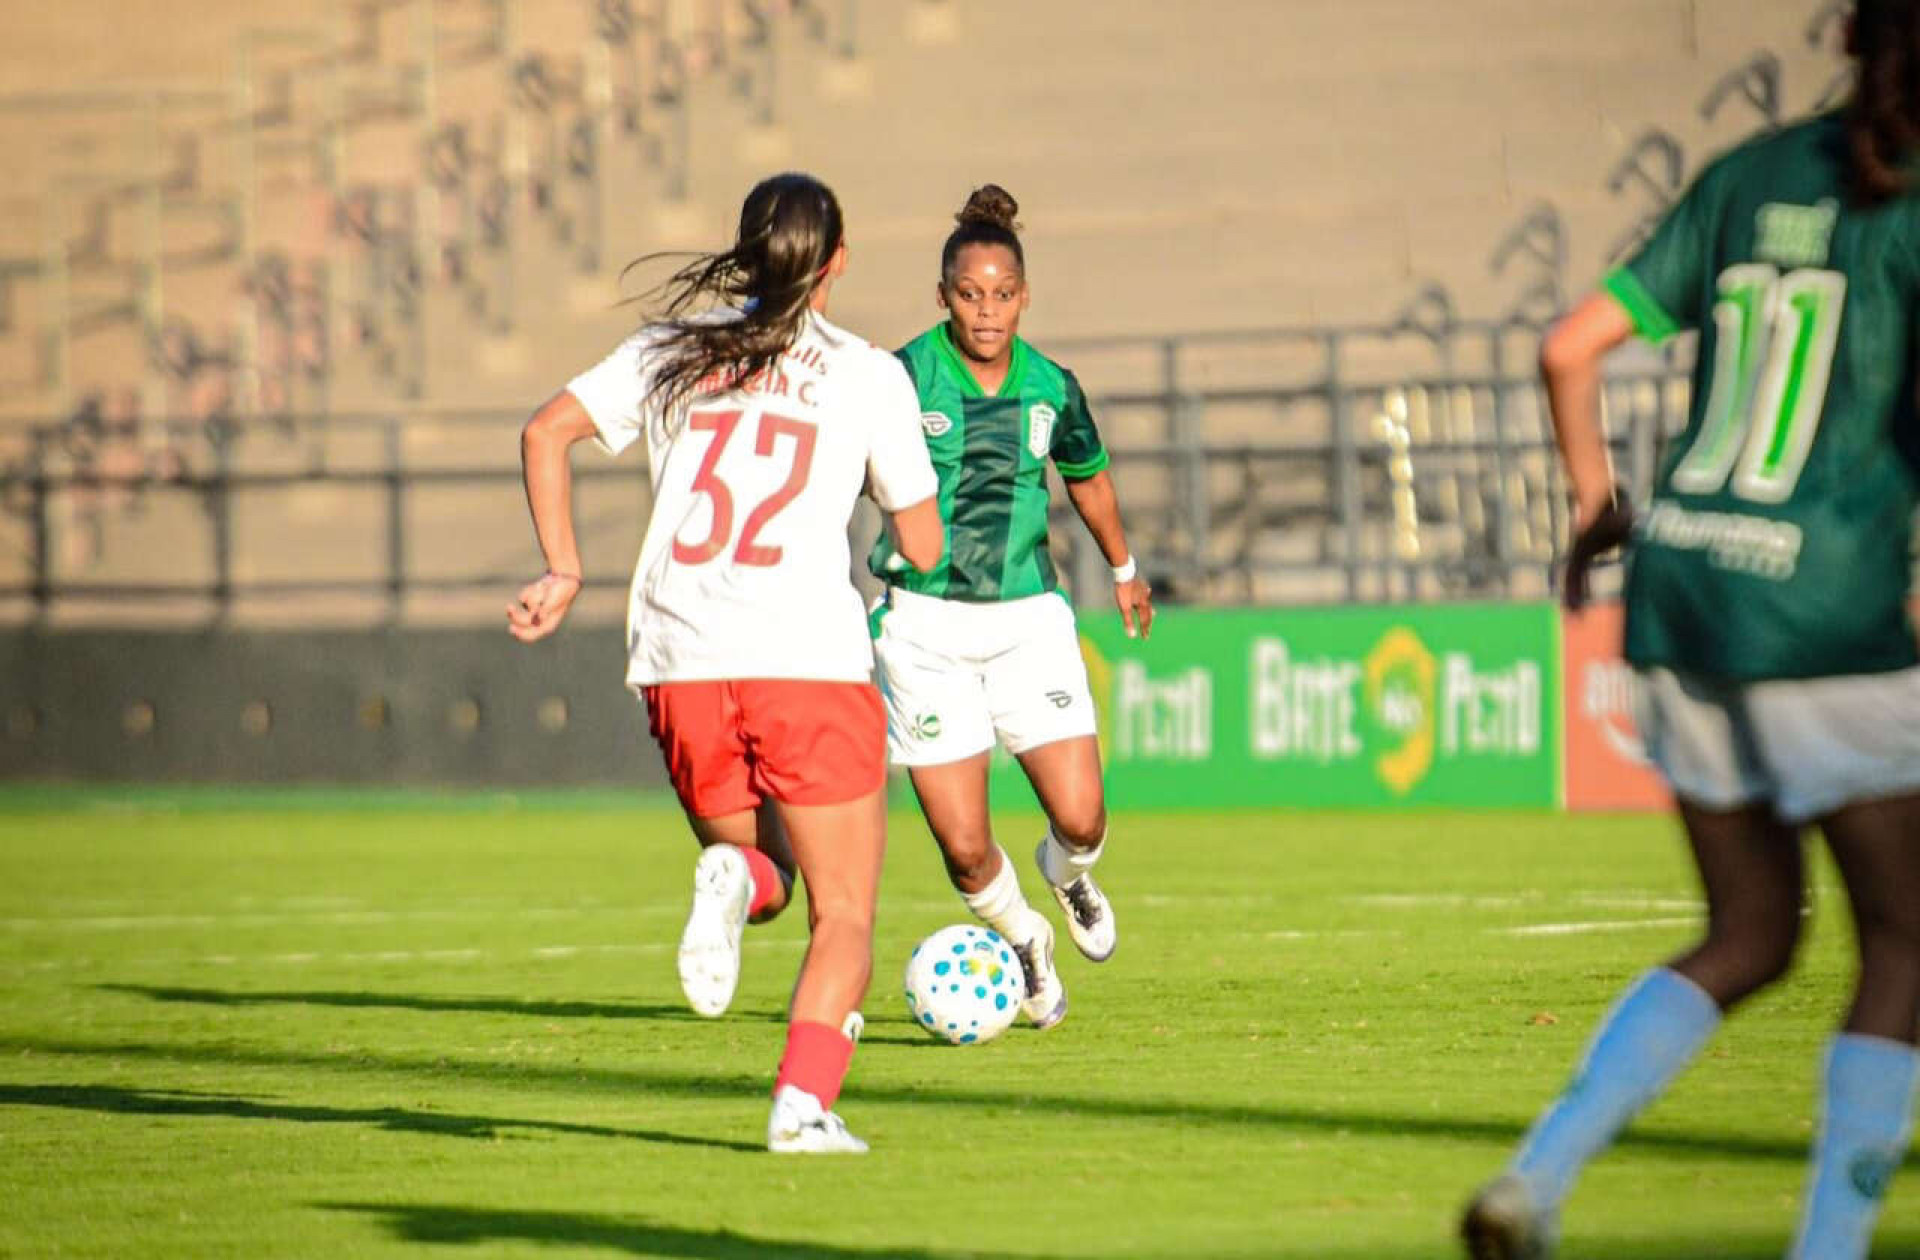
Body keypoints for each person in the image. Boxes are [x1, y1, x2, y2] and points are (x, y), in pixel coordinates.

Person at [1462, 6, 1920, 1255]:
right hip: (1822, 606)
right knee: (1906, 945)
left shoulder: (1747, 173)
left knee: (1753, 933)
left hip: (1683, 588)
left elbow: (1571, 348)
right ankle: (1827, 1246)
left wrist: (1599, 505)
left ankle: (1536, 1179)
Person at [509, 172, 942, 1154]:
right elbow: (921, 544)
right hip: (806, 661)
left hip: (679, 659)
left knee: (766, 871)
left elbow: (547, 430)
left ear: (745, 251)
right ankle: (801, 1107)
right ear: (835, 262)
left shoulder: (670, 347)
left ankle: (729, 882)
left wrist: (564, 567)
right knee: (844, 914)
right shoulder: (869, 374)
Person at [869, 185, 1154, 1030]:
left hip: (1028, 619)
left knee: (1082, 816)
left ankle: (1065, 877)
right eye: (968, 293)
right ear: (943, 296)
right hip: (923, 626)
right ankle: (1024, 938)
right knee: (962, 848)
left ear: (1024, 297)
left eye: (1001, 294)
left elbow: (1087, 475)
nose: (985, 311)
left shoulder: (1052, 387)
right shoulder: (899, 378)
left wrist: (1125, 565)